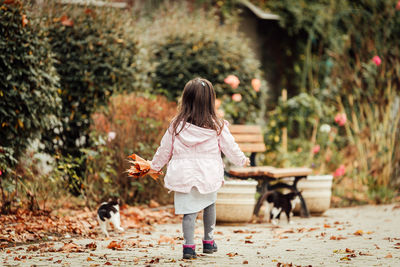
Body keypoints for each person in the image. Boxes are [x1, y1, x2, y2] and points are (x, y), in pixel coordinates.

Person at [150, 77, 249, 259]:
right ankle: (209, 241)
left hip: (183, 174)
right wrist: (242, 160)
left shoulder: (176, 125)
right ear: (210, 101)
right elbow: (230, 147)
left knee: (189, 212)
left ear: (186, 100)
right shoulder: (217, 126)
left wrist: (154, 166)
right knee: (209, 205)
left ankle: (188, 247)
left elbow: (165, 148)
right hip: (208, 174)